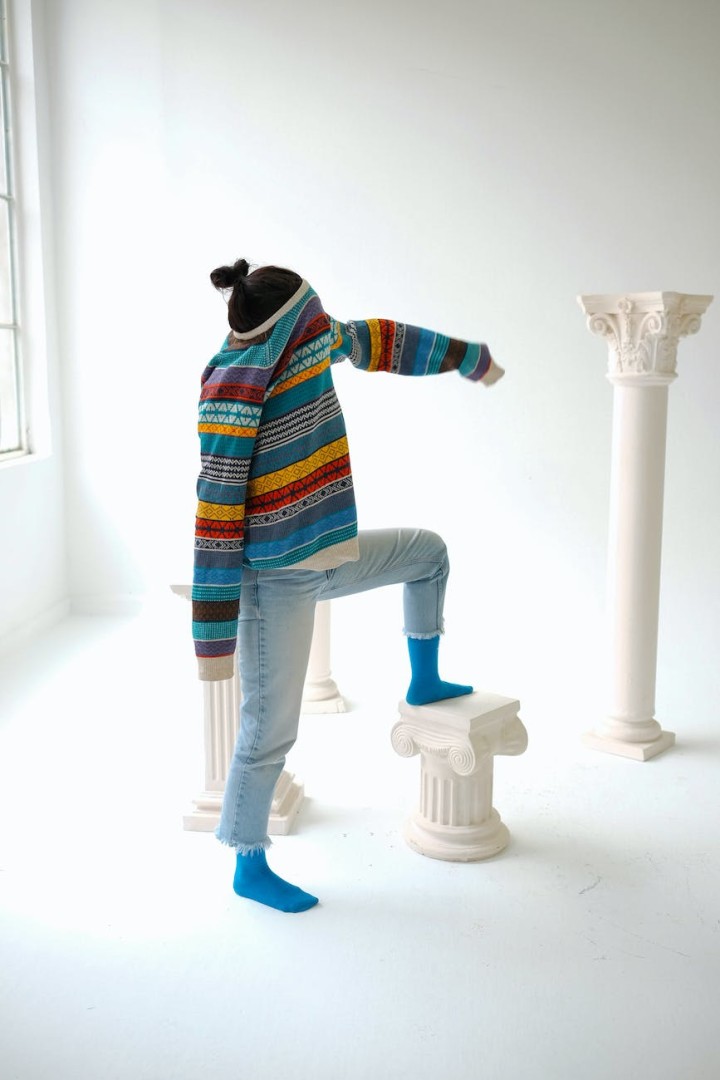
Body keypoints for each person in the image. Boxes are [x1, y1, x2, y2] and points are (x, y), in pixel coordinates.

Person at [192, 259, 505, 913]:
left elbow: (381, 339)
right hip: (273, 579)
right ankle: (248, 865)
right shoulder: (234, 387)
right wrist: (213, 634)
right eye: (319, 319)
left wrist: (465, 356)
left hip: (326, 552)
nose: (329, 331)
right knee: (267, 730)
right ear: (295, 324)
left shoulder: (312, 343)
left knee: (428, 554)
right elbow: (215, 513)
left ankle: (424, 677)